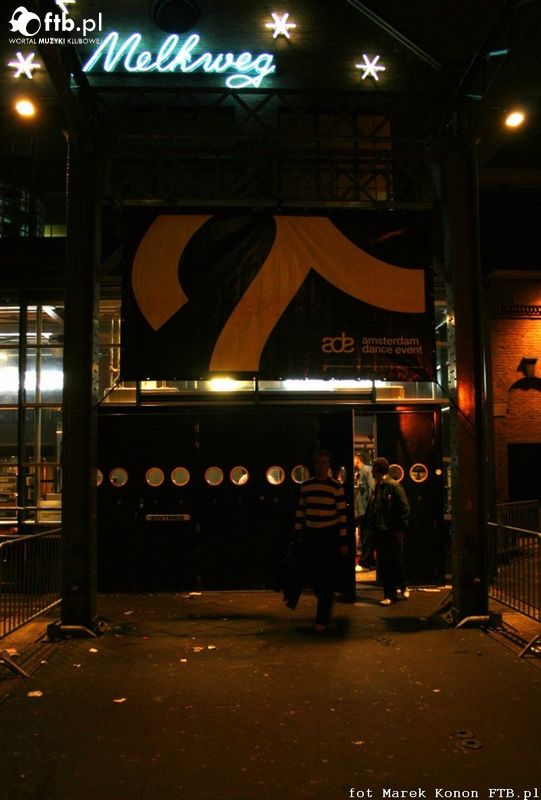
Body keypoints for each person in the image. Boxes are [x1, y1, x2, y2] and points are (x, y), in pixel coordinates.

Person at [294, 449, 348, 632]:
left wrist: (342, 540)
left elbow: (342, 516)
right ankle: (326, 599)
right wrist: (298, 533)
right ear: (314, 464)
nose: (321, 466)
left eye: (324, 462)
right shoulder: (306, 486)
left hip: (328, 535)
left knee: (325, 576)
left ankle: (322, 618)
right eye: (319, 462)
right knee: (314, 576)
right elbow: (301, 510)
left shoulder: (336, 486)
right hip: (312, 535)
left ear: (328, 465)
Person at [367, 456, 410, 606]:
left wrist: (400, 529)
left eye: (373, 469)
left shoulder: (393, 486)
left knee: (393, 562)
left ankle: (395, 591)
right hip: (381, 531)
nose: (371, 472)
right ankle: (393, 592)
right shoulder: (378, 486)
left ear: (377, 470)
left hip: (390, 531)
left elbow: (404, 508)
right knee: (387, 563)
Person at [354, 452, 375, 570]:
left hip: (367, 508)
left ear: (357, 459)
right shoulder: (359, 472)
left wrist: (371, 506)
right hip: (362, 508)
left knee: (366, 534)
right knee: (364, 534)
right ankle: (369, 560)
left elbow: (371, 487)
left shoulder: (366, 470)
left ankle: (365, 560)